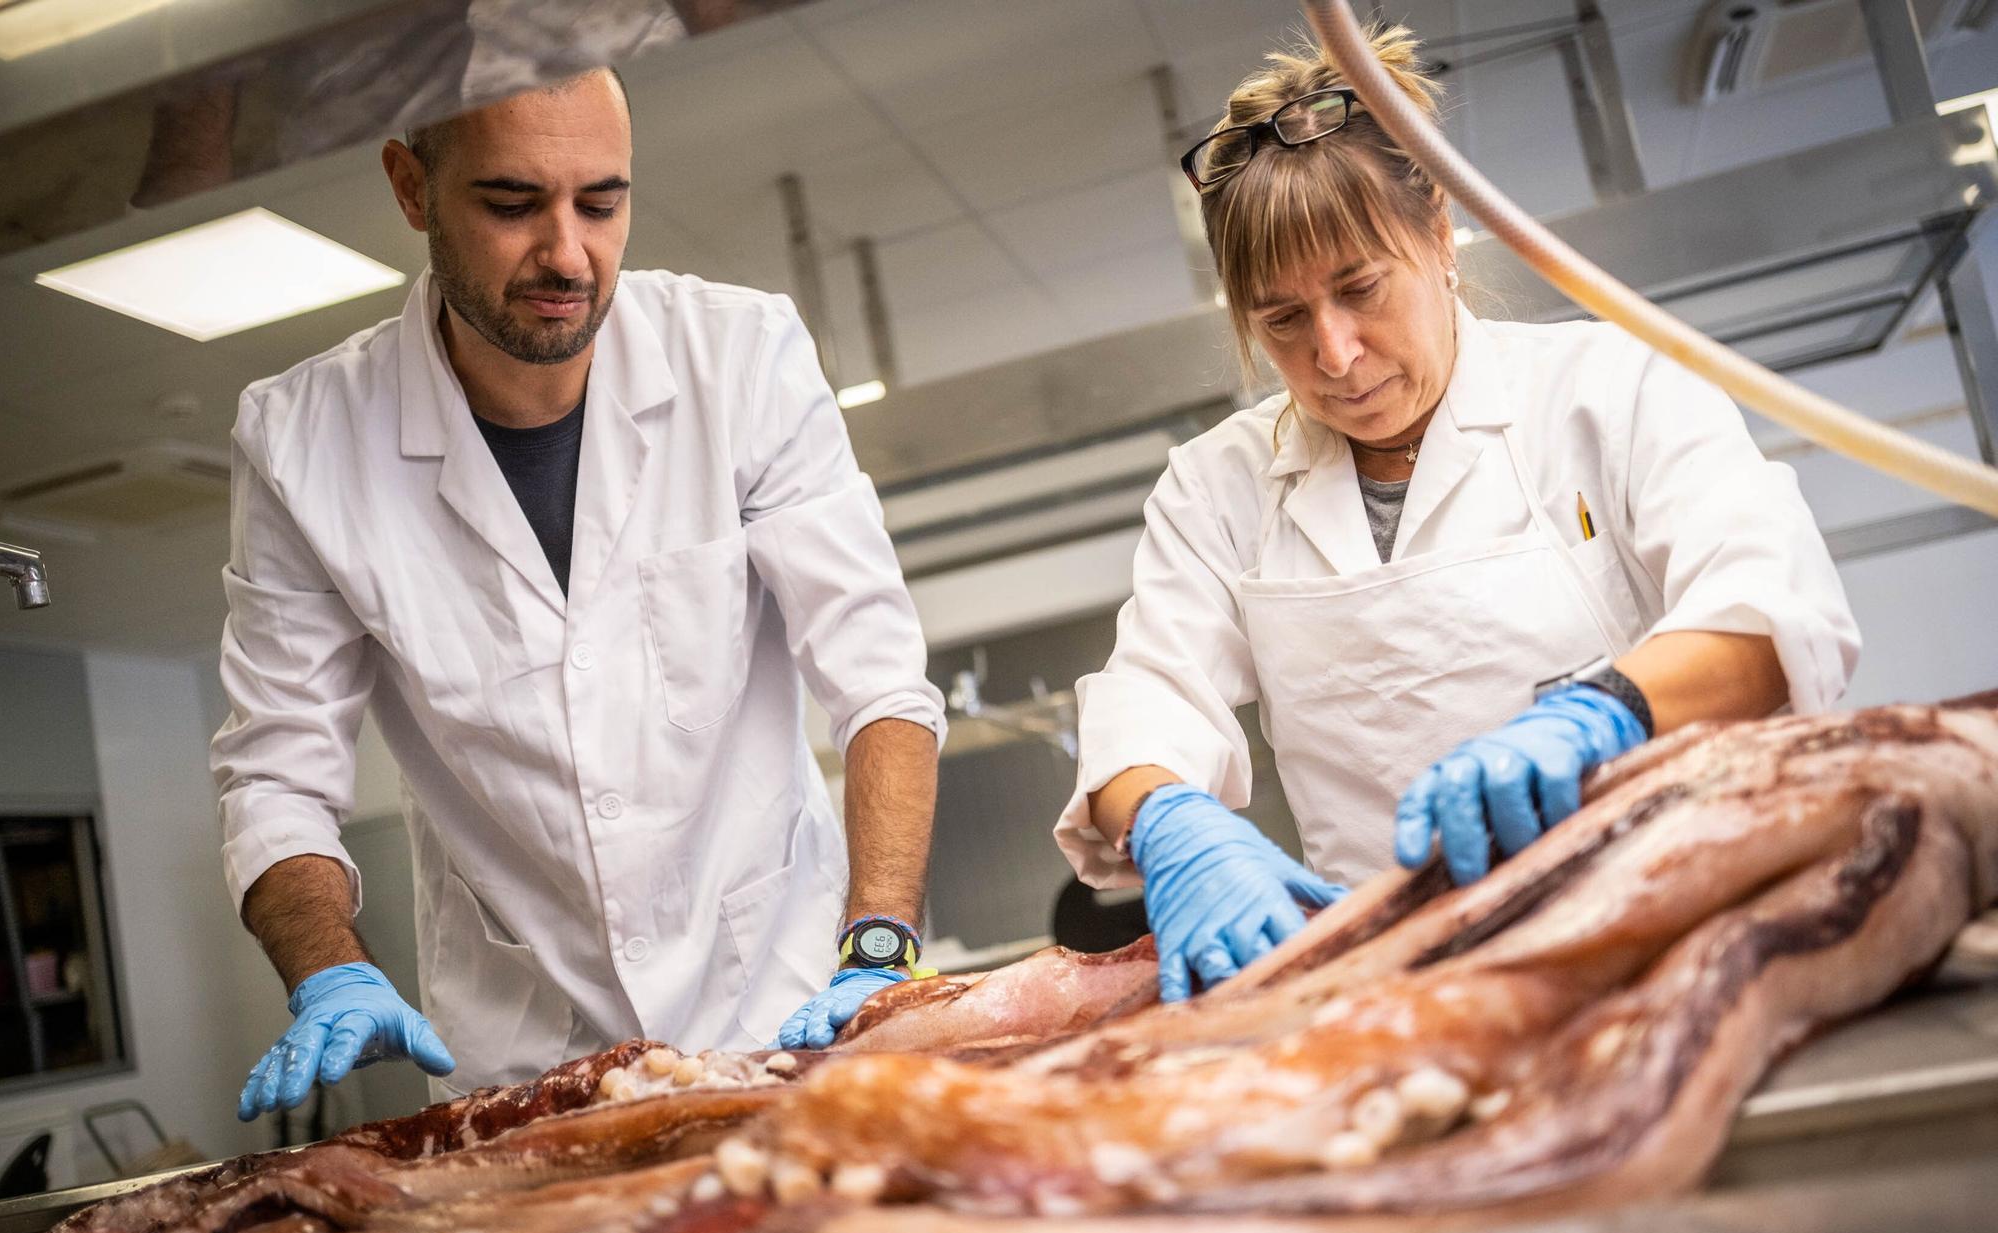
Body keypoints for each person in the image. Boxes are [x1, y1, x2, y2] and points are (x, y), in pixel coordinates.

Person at [1052, 28, 1858, 1004]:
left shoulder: (1603, 389)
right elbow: (1151, 697)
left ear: (1437, 233)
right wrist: (1172, 819)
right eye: (1282, 320)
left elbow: (1770, 607)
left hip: (1667, 927)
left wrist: (1599, 714)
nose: (1335, 353)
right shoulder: (1216, 485)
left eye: (1358, 289)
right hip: (1391, 975)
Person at [215, 68, 946, 1120]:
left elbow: (877, 681)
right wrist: (326, 962)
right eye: (512, 205)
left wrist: (877, 939)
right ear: (411, 188)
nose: (568, 253)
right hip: (527, 1061)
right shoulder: (300, 442)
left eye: (601, 203)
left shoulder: (739, 359)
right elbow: (275, 770)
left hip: (783, 1008)